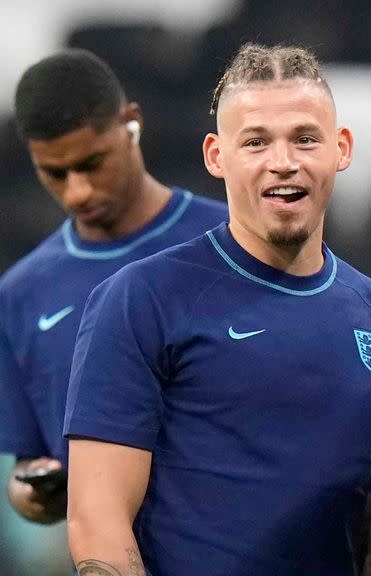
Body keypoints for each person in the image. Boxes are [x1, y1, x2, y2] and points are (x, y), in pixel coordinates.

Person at [63, 43, 371, 576]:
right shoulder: (140, 300)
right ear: (217, 155)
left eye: (305, 138)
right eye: (256, 142)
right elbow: (97, 522)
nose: (283, 162)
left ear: (341, 148)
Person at [0, 49, 227, 527]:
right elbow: (26, 466)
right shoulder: (19, 296)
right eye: (55, 173)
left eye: (92, 163)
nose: (77, 191)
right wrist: (34, 492)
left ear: (131, 123)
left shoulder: (234, 242)